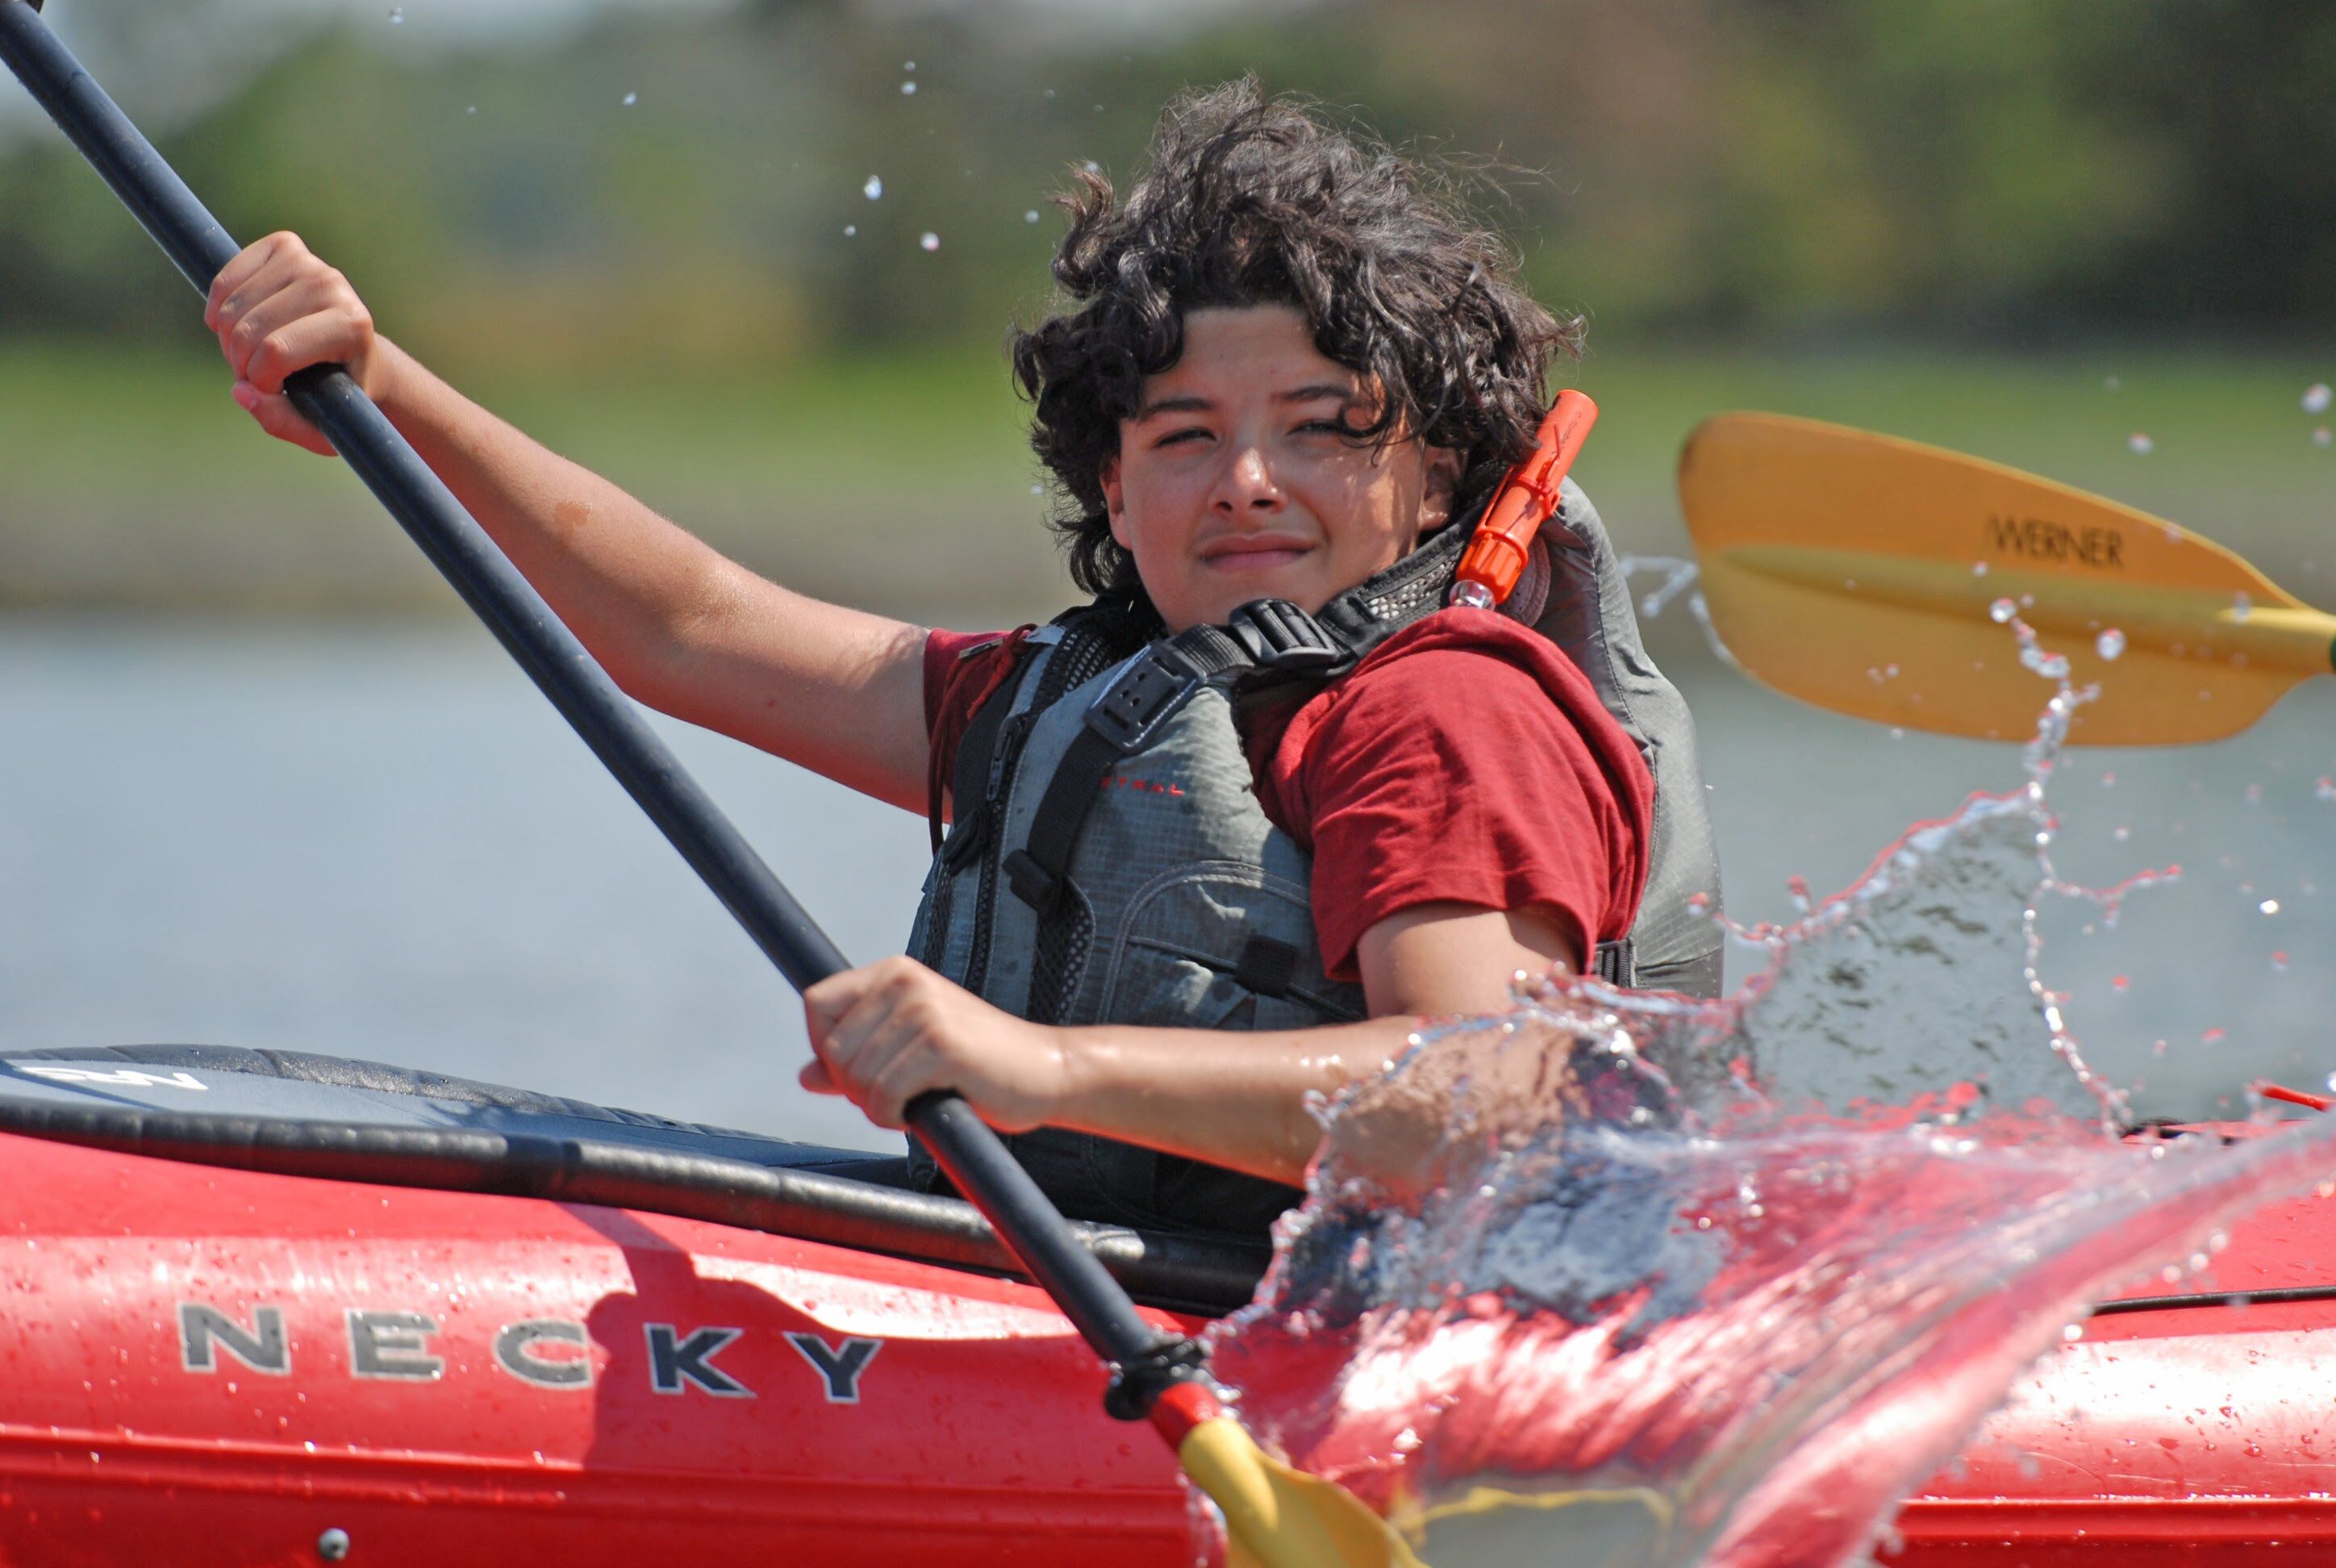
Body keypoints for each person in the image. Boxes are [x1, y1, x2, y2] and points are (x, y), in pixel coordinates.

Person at [202, 81, 1721, 1244]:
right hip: (1101, 1290)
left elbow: (1490, 1110)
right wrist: (377, 391)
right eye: (1185, 438)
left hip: (1351, 1372)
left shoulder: (1443, 717)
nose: (1248, 480)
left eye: (1324, 427)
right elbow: (690, 629)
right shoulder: (1069, 700)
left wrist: (1044, 1073)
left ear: (1441, 481)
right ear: (1115, 497)